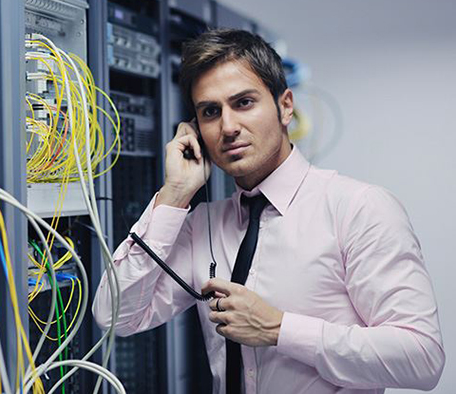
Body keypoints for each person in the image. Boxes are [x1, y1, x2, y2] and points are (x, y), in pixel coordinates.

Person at [92, 29, 445, 394]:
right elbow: (115, 315)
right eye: (211, 112)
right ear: (196, 129)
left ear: (285, 105)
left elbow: (421, 358)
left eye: (243, 102)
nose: (228, 127)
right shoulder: (203, 225)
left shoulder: (358, 208)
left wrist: (279, 330)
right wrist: (175, 194)